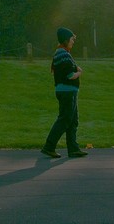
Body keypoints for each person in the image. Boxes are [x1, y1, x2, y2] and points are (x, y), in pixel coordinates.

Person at [41, 27, 88, 158]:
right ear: (66, 40)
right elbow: (70, 75)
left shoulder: (61, 53)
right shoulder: (63, 54)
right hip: (67, 92)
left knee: (73, 120)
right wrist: (79, 72)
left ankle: (73, 149)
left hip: (68, 91)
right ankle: (49, 146)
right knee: (65, 119)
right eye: (72, 39)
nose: (73, 42)